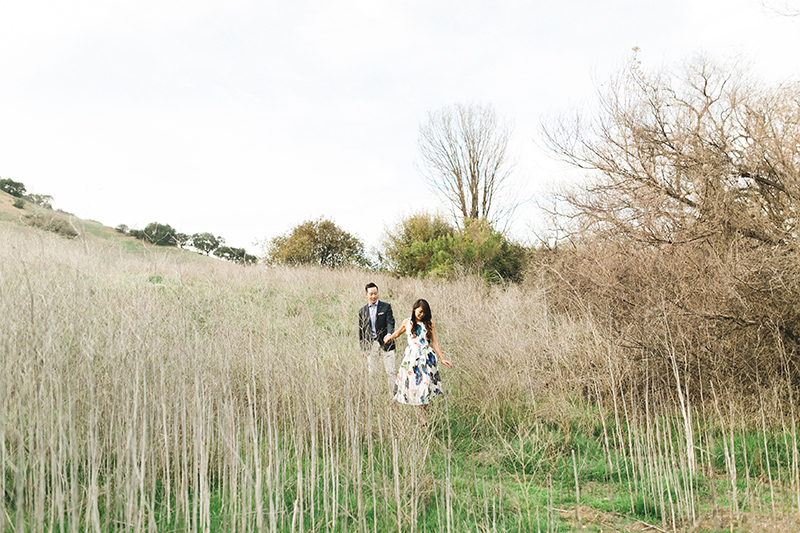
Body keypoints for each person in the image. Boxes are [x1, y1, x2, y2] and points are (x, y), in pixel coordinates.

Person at [384, 298, 453, 427]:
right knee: (416, 388)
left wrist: (442, 358)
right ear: (414, 309)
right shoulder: (407, 322)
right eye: (420, 311)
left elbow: (434, 342)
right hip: (412, 359)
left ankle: (422, 416)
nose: (421, 315)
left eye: (424, 313)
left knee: (425, 388)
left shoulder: (429, 323)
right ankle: (423, 421)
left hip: (427, 358)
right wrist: (389, 337)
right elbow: (398, 333)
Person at [358, 282, 396, 387]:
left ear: (378, 293)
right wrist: (363, 348)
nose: (373, 296)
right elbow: (361, 331)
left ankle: (393, 399)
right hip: (371, 345)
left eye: (375, 293)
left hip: (386, 343)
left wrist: (389, 334)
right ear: (366, 295)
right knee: (372, 373)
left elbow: (390, 322)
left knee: (390, 372)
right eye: (371, 294)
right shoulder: (362, 311)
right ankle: (373, 398)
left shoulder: (386, 307)